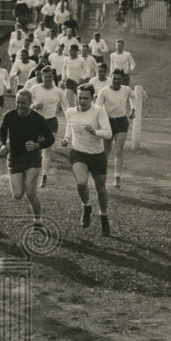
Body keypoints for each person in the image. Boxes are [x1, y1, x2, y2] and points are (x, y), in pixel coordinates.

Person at [0, 90, 56, 229]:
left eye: (23, 103)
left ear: (30, 103)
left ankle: (38, 220)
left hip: (32, 159)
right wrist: (4, 143)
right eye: (18, 102)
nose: (20, 105)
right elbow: (2, 131)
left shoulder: (38, 119)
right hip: (14, 159)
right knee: (17, 194)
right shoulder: (9, 116)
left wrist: (38, 145)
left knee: (30, 193)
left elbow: (50, 139)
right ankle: (24, 180)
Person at [62, 84, 113, 236]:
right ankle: (86, 206)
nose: (82, 101)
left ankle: (104, 216)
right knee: (81, 182)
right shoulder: (70, 112)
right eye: (80, 97)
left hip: (97, 155)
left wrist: (94, 131)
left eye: (86, 98)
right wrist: (66, 139)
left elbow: (108, 134)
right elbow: (69, 127)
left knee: (101, 189)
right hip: (78, 153)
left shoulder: (99, 111)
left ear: (92, 98)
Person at [28, 67, 70, 188]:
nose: (47, 79)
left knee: (47, 149)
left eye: (50, 77)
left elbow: (66, 106)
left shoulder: (58, 91)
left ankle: (44, 175)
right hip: (36, 122)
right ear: (41, 76)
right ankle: (32, 173)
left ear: (53, 77)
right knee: (35, 149)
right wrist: (33, 106)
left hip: (51, 122)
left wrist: (71, 117)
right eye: (45, 77)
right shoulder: (35, 89)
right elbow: (25, 103)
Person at [96, 70, 137, 189]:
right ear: (111, 78)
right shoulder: (103, 91)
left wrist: (133, 109)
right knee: (106, 151)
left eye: (119, 79)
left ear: (122, 79)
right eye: (114, 78)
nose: (116, 81)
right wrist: (99, 123)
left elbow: (133, 98)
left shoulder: (126, 89)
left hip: (121, 122)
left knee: (119, 150)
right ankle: (102, 176)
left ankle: (117, 177)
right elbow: (98, 108)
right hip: (107, 123)